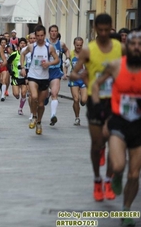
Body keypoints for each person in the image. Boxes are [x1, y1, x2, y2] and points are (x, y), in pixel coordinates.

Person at [70, 13, 124, 202]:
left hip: (114, 101)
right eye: (99, 30)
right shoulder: (88, 50)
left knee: (112, 141)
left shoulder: (119, 48)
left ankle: (108, 181)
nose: (102, 33)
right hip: (95, 101)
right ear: (95, 30)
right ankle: (96, 179)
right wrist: (83, 77)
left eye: (106, 30)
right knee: (96, 144)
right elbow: (73, 74)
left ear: (111, 28)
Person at [91, 30, 141, 226]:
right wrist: (99, 107)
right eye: (133, 43)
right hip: (118, 121)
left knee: (135, 174)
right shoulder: (115, 66)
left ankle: (126, 209)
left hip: (138, 125)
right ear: (126, 47)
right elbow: (97, 85)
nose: (137, 47)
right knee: (119, 165)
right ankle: (116, 175)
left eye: (140, 44)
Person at [20, 25, 59, 135]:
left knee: (41, 104)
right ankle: (33, 116)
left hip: (44, 78)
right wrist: (22, 67)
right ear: (35, 36)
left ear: (44, 35)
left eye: (42, 35)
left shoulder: (49, 47)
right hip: (33, 76)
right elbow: (22, 54)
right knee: (34, 97)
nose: (40, 38)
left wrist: (49, 63)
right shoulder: (32, 47)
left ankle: (39, 122)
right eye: (38, 36)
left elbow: (57, 59)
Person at [45, 25, 70, 126]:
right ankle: (46, 97)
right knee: (45, 95)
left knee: (54, 94)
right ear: (49, 32)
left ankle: (53, 116)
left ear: (57, 32)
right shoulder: (45, 43)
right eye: (52, 31)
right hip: (45, 71)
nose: (54, 33)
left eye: (55, 31)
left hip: (55, 71)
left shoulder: (61, 44)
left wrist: (67, 58)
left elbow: (67, 50)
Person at [67, 37, 87, 125]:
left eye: (80, 45)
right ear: (74, 44)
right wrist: (65, 73)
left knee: (84, 101)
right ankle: (77, 117)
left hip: (83, 79)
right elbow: (66, 64)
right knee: (76, 99)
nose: (79, 47)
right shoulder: (71, 54)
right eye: (77, 45)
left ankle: (81, 97)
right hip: (74, 79)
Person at [10, 37, 28, 115]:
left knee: (23, 93)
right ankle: (18, 96)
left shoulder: (28, 54)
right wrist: (11, 72)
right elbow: (7, 63)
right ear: (18, 45)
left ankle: (20, 108)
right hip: (16, 77)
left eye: (24, 43)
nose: (23, 45)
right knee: (16, 94)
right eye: (21, 43)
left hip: (24, 77)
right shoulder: (14, 54)